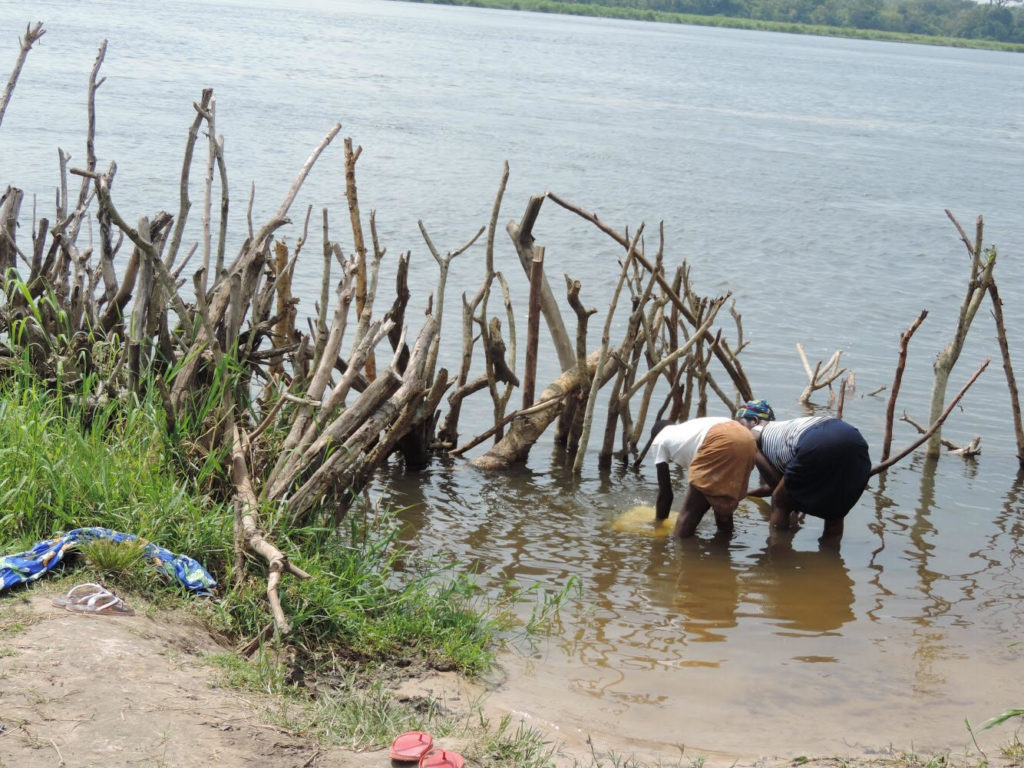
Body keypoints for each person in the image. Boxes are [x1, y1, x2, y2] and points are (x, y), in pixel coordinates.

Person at [652, 399, 775, 538]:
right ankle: (722, 551)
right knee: (723, 509)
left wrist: (659, 524)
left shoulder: (659, 440)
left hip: (718, 438)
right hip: (746, 438)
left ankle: (681, 555)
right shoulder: (689, 427)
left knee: (688, 514)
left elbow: (665, 494)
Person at [748, 415, 871, 546]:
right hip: (854, 439)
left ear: (755, 421)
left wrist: (751, 447)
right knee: (835, 509)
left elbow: (777, 489)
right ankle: (831, 557)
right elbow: (784, 484)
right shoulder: (782, 429)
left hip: (816, 440)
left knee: (780, 501)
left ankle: (779, 554)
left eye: (739, 423)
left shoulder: (754, 438)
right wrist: (747, 493)